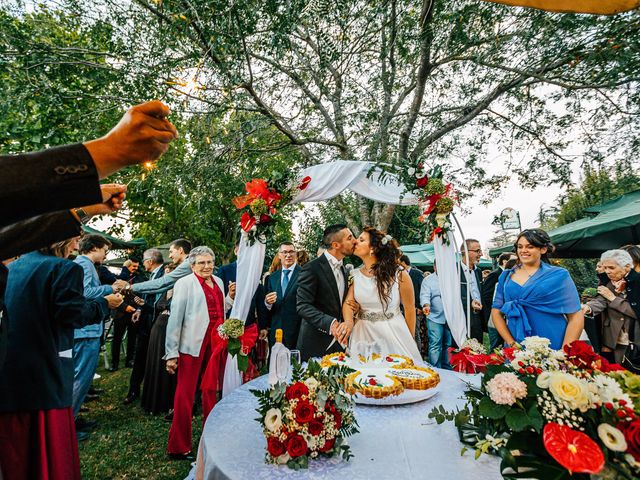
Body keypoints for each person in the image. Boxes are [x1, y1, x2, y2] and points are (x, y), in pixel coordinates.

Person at [0, 238, 122, 479]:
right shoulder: (65, 268)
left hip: (13, 372)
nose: (77, 244)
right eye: (74, 238)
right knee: (50, 451)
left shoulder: (13, 267)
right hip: (46, 374)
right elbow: (72, 314)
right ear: (60, 237)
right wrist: (104, 304)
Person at [164, 247, 236, 460]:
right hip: (192, 345)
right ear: (192, 265)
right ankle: (178, 447)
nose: (207, 266)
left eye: (210, 262)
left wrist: (230, 298)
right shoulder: (184, 284)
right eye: (202, 263)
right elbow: (175, 319)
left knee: (211, 391)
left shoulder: (219, 282)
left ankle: (212, 437)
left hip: (215, 344)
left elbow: (219, 308)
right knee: (185, 394)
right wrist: (171, 353)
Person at [491, 229, 584, 350]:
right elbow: (496, 312)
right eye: (520, 247)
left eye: (530, 247)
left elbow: (575, 315)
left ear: (543, 249)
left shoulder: (559, 275)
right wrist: (511, 343)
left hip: (552, 338)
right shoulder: (506, 276)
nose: (523, 251)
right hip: (516, 341)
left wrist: (565, 351)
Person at [72, 235, 127, 431]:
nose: (105, 255)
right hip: (86, 330)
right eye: (105, 250)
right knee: (82, 377)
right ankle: (69, 423)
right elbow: (85, 292)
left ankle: (73, 417)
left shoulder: (82, 264)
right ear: (94, 248)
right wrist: (110, 288)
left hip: (83, 329)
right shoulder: (85, 264)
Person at [343, 228, 421, 361]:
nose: (355, 241)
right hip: (362, 335)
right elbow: (348, 303)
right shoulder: (354, 275)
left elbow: (409, 309)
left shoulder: (399, 274)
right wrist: (349, 322)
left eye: (361, 240)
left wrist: (409, 339)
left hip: (393, 333)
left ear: (372, 249)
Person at [297, 224, 356, 360]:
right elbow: (303, 306)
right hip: (315, 344)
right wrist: (331, 324)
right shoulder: (311, 268)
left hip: (340, 345)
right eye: (349, 238)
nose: (355, 241)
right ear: (336, 245)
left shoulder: (345, 270)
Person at [123, 248, 166, 405]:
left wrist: (144, 307)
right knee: (140, 356)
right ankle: (133, 390)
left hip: (156, 322)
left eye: (143, 260)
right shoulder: (152, 275)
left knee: (152, 358)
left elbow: (159, 302)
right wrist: (140, 309)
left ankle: (152, 391)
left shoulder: (165, 275)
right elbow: (148, 295)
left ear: (150, 261)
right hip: (145, 321)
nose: (142, 263)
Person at [582, 250, 638, 364]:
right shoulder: (609, 282)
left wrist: (613, 298)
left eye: (611, 268)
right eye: (605, 267)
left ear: (627, 267)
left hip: (635, 340)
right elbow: (601, 301)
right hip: (613, 340)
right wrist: (587, 308)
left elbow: (636, 311)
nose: (607, 271)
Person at [141, 263, 178, 415]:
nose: (166, 276)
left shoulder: (181, 289)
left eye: (170, 273)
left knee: (168, 364)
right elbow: (158, 308)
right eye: (166, 273)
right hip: (158, 328)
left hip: (172, 329)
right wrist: (143, 305)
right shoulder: (163, 291)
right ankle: (153, 401)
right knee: (155, 363)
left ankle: (167, 402)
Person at [263, 242, 302, 349]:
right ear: (279, 255)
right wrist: (267, 303)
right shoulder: (272, 278)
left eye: (291, 252)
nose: (288, 255)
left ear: (295, 254)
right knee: (275, 364)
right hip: (276, 332)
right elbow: (267, 308)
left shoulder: (304, 274)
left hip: (297, 331)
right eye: (284, 252)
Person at [482, 253, 517, 350]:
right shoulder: (495, 275)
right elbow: (487, 296)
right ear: (505, 262)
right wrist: (494, 313)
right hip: (496, 318)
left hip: (509, 320)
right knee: (496, 347)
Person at [420, 262, 451, 368]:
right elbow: (425, 295)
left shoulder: (452, 279)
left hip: (450, 317)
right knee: (435, 343)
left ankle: (447, 368)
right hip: (434, 317)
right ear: (434, 267)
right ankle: (435, 368)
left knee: (448, 344)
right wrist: (426, 305)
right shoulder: (428, 280)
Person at [400, 254, 428, 359]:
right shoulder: (397, 274)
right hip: (399, 310)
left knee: (415, 333)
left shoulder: (417, 273)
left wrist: (419, 307)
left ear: (402, 262)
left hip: (414, 309)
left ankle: (417, 356)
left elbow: (422, 291)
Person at [459, 239, 484, 343]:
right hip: (461, 317)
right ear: (466, 251)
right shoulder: (455, 270)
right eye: (477, 251)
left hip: (477, 316)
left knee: (478, 347)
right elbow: (449, 295)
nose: (481, 254)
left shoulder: (478, 271)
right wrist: (469, 302)